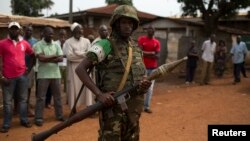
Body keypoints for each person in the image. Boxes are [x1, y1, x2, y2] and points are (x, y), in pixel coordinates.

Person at [75, 5, 151, 140]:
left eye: (130, 23)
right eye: (124, 22)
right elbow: (80, 69)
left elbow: (141, 75)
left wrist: (145, 85)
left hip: (133, 110)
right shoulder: (105, 45)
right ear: (116, 24)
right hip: (113, 110)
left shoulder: (136, 48)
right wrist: (99, 94)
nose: (127, 26)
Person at [0, 22, 34, 133]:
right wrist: (1, 76)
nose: (14, 31)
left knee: (23, 100)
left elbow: (33, 55)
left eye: (16, 29)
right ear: (8, 30)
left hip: (22, 77)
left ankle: (24, 120)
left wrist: (28, 68)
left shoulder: (25, 43)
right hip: (7, 78)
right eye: (12, 29)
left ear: (19, 30)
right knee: (7, 102)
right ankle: (6, 124)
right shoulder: (2, 43)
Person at [33, 26, 65, 126]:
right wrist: (54, 56)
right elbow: (41, 59)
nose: (51, 35)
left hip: (56, 74)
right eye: (49, 33)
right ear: (44, 33)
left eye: (52, 34)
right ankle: (38, 118)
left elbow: (61, 58)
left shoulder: (56, 44)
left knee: (58, 97)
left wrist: (47, 58)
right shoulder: (38, 45)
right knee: (41, 98)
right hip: (43, 75)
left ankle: (59, 115)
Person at [63, 22, 93, 110]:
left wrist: (78, 53)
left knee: (88, 88)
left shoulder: (87, 41)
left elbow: (90, 55)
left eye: (81, 30)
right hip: (73, 69)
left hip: (86, 68)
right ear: (73, 32)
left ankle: (89, 107)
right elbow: (69, 57)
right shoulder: (68, 42)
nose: (80, 32)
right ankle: (73, 109)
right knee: (73, 90)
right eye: (78, 31)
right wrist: (84, 55)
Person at [138, 25, 160, 113]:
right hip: (142, 67)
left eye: (153, 30)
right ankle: (138, 106)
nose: (151, 31)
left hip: (153, 68)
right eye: (149, 29)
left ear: (154, 31)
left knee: (150, 88)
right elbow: (139, 52)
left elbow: (157, 56)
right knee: (139, 87)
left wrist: (145, 53)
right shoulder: (141, 39)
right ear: (146, 31)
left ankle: (146, 107)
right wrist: (151, 53)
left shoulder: (157, 42)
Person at [23, 25, 38, 116]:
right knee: (18, 88)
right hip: (18, 68)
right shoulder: (20, 40)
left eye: (30, 31)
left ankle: (27, 106)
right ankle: (17, 107)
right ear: (24, 30)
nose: (29, 32)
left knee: (28, 88)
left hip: (30, 68)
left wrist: (30, 67)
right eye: (27, 30)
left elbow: (34, 56)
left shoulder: (35, 41)